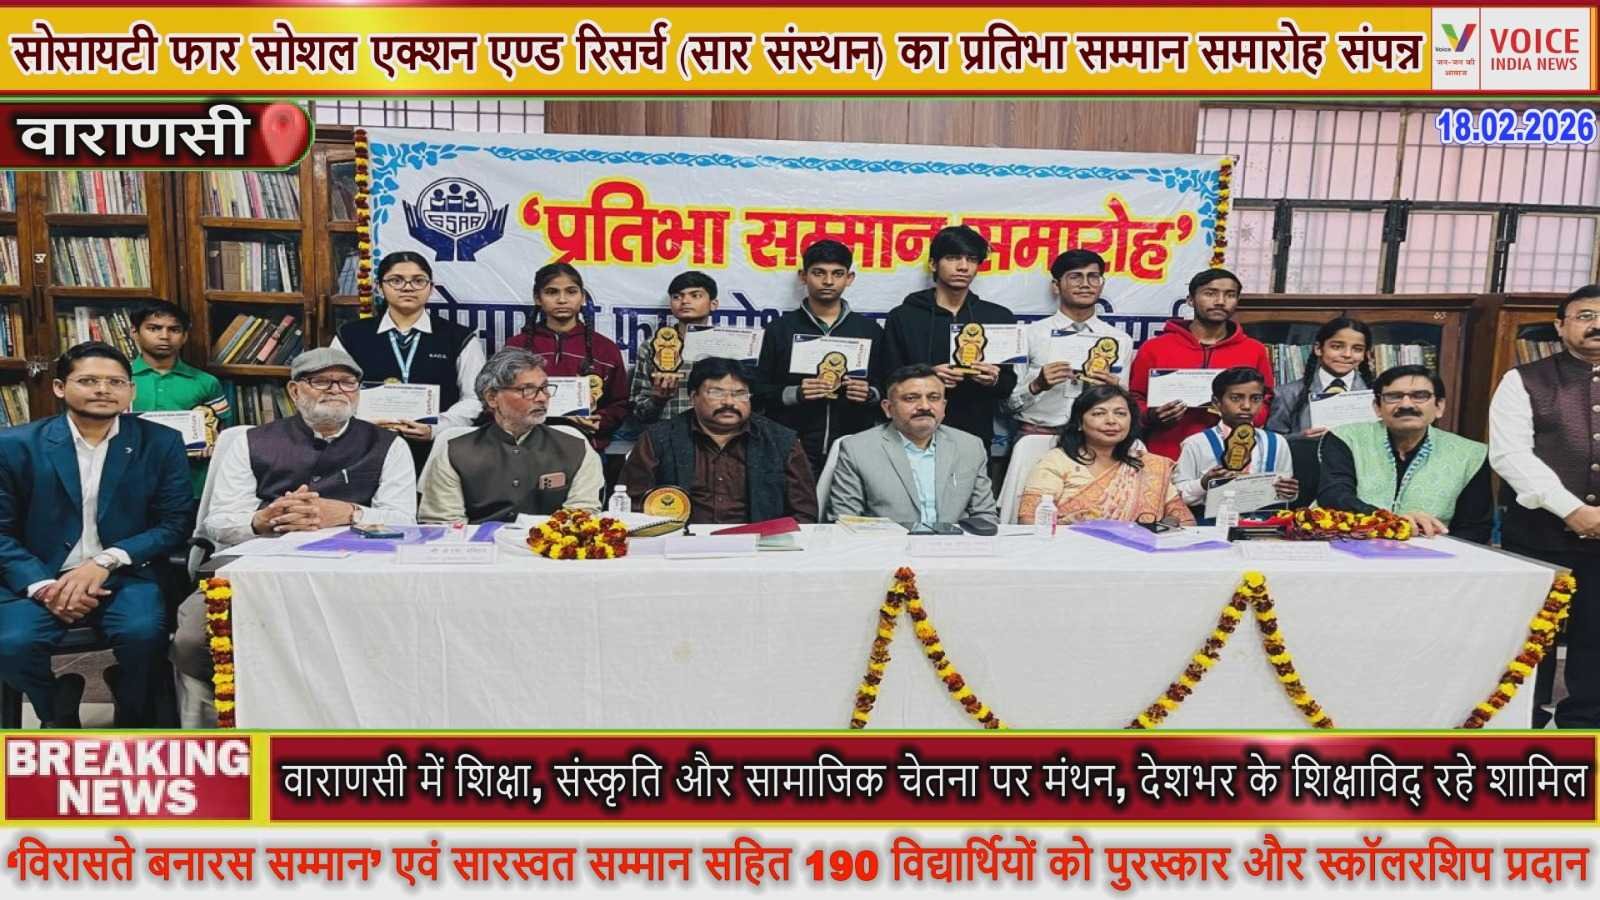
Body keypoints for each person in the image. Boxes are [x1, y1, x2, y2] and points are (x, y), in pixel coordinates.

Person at [171, 348, 418, 726]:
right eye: (322, 381)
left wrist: (350, 514)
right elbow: (217, 522)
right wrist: (262, 521)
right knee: (193, 639)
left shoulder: (388, 444)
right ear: (295, 390)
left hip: (357, 573)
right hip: (258, 569)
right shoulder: (249, 441)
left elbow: (405, 522)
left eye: (347, 382)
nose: (336, 390)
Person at [0, 342, 192, 727]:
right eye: (88, 381)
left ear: (131, 391)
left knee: (143, 634)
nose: (103, 389)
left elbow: (175, 522)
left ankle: (131, 710)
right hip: (41, 574)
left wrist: (106, 561)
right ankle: (56, 706)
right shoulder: (14, 445)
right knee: (12, 644)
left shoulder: (161, 442)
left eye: (115, 382)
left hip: (124, 574)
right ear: (59, 387)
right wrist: (43, 587)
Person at [1490, 284, 1600, 727]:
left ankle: (1585, 734)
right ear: (1560, 326)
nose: (1596, 325)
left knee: (1597, 645)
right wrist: (1572, 510)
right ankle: (1524, 730)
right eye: (1585, 315)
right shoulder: (1523, 380)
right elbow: (1510, 455)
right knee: (1532, 644)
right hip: (1540, 538)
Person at [332, 251, 486, 471]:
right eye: (396, 280)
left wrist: (437, 428)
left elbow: (475, 397)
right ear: (379, 287)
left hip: (438, 451)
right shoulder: (350, 336)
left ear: (431, 288)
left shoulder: (459, 337)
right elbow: (334, 391)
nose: (407, 287)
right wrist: (362, 424)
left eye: (418, 280)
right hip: (366, 448)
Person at [620, 357, 817, 525]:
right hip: (680, 546)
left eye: (740, 394)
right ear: (693, 397)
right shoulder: (659, 439)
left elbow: (804, 514)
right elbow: (631, 507)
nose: (729, 402)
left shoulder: (781, 441)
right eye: (717, 392)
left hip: (759, 547)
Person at [419, 348, 604, 522]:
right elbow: (445, 524)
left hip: (553, 543)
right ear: (492, 398)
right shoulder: (455, 451)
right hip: (477, 544)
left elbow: (581, 518)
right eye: (528, 390)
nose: (542, 398)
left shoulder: (575, 447)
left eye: (545, 388)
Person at [1317, 365, 1491, 543]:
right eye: (1394, 396)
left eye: (1420, 396)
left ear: (1439, 406)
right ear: (1377, 407)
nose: (1406, 404)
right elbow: (1334, 496)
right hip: (1347, 544)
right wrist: (1393, 522)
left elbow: (1475, 529)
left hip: (1430, 552)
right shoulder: (1346, 438)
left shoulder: (1471, 455)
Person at [754, 239, 885, 475]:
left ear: (849, 278)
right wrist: (796, 393)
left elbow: (888, 385)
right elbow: (758, 389)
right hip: (791, 444)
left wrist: (870, 393)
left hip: (853, 444)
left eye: (837, 274)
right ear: (803, 276)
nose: (828, 281)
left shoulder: (869, 330)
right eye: (818, 273)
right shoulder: (780, 329)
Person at [880, 225, 1018, 448]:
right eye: (953, 258)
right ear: (933, 264)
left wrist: (993, 379)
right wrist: (929, 375)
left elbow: (1007, 385)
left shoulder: (998, 317)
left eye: (971, 259)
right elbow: (888, 377)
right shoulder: (903, 316)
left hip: (974, 434)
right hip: (913, 432)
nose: (963, 266)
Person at [824, 363, 998, 527]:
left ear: (944, 406)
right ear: (888, 408)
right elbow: (844, 522)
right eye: (911, 398)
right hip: (886, 546)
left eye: (934, 398)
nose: (924, 406)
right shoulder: (857, 449)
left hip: (955, 546)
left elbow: (985, 517)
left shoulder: (970, 446)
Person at [1127, 268, 1274, 459]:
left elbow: (1266, 399)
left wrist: (1244, 414)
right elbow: (1134, 398)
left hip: (1232, 453)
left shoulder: (1254, 350)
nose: (1220, 301)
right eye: (1210, 293)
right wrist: (1152, 415)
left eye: (1230, 295)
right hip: (1167, 453)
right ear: (1190, 300)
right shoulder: (1155, 348)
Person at [1017, 383, 1194, 526]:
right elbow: (1030, 519)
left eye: (1120, 414)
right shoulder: (1057, 461)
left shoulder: (1147, 466)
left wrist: (1165, 526)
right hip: (1071, 552)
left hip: (1139, 554)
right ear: (1079, 422)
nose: (1111, 421)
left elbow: (1185, 521)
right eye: (1099, 413)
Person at [1007, 249, 1135, 434]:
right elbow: (1007, 405)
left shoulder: (1119, 340)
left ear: (1101, 285)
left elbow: (1126, 407)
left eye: (1093, 277)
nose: (1085, 284)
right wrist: (1037, 385)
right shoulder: (1030, 335)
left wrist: (1116, 390)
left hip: (1096, 440)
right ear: (1056, 286)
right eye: (1075, 277)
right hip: (1037, 435)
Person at [505, 263, 629, 451]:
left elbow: (620, 403)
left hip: (584, 447)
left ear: (583, 297)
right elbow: (498, 397)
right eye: (552, 292)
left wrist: (600, 421)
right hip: (524, 447)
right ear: (538, 298)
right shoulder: (516, 346)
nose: (562, 300)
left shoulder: (605, 349)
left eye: (571, 292)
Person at [128, 299, 233, 498]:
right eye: (154, 328)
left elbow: (225, 430)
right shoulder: (119, 379)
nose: (164, 336)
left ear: (185, 336)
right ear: (135, 332)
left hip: (191, 484)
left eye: (174, 330)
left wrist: (213, 444)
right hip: (131, 483)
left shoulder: (206, 382)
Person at [1173, 367, 1297, 515]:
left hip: (1264, 524)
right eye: (1236, 398)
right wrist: (1203, 483)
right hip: (1210, 525)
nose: (1247, 406)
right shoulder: (1196, 444)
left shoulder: (1277, 443)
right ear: (1216, 402)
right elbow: (1177, 495)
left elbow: (1283, 494)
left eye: (1255, 399)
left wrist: (1289, 492)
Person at [629, 270, 719, 428]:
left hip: (719, 433)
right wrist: (657, 400)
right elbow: (638, 411)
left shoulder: (729, 344)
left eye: (695, 295)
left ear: (713, 304)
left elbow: (747, 398)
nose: (685, 301)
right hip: (667, 434)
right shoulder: (652, 346)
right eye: (677, 297)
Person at [1265, 317, 1374, 437]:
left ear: (1365, 354)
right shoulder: (1287, 394)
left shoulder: (1375, 393)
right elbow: (1273, 440)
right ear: (1318, 348)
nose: (1347, 354)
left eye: (1357, 349)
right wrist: (1301, 438)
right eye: (1336, 347)